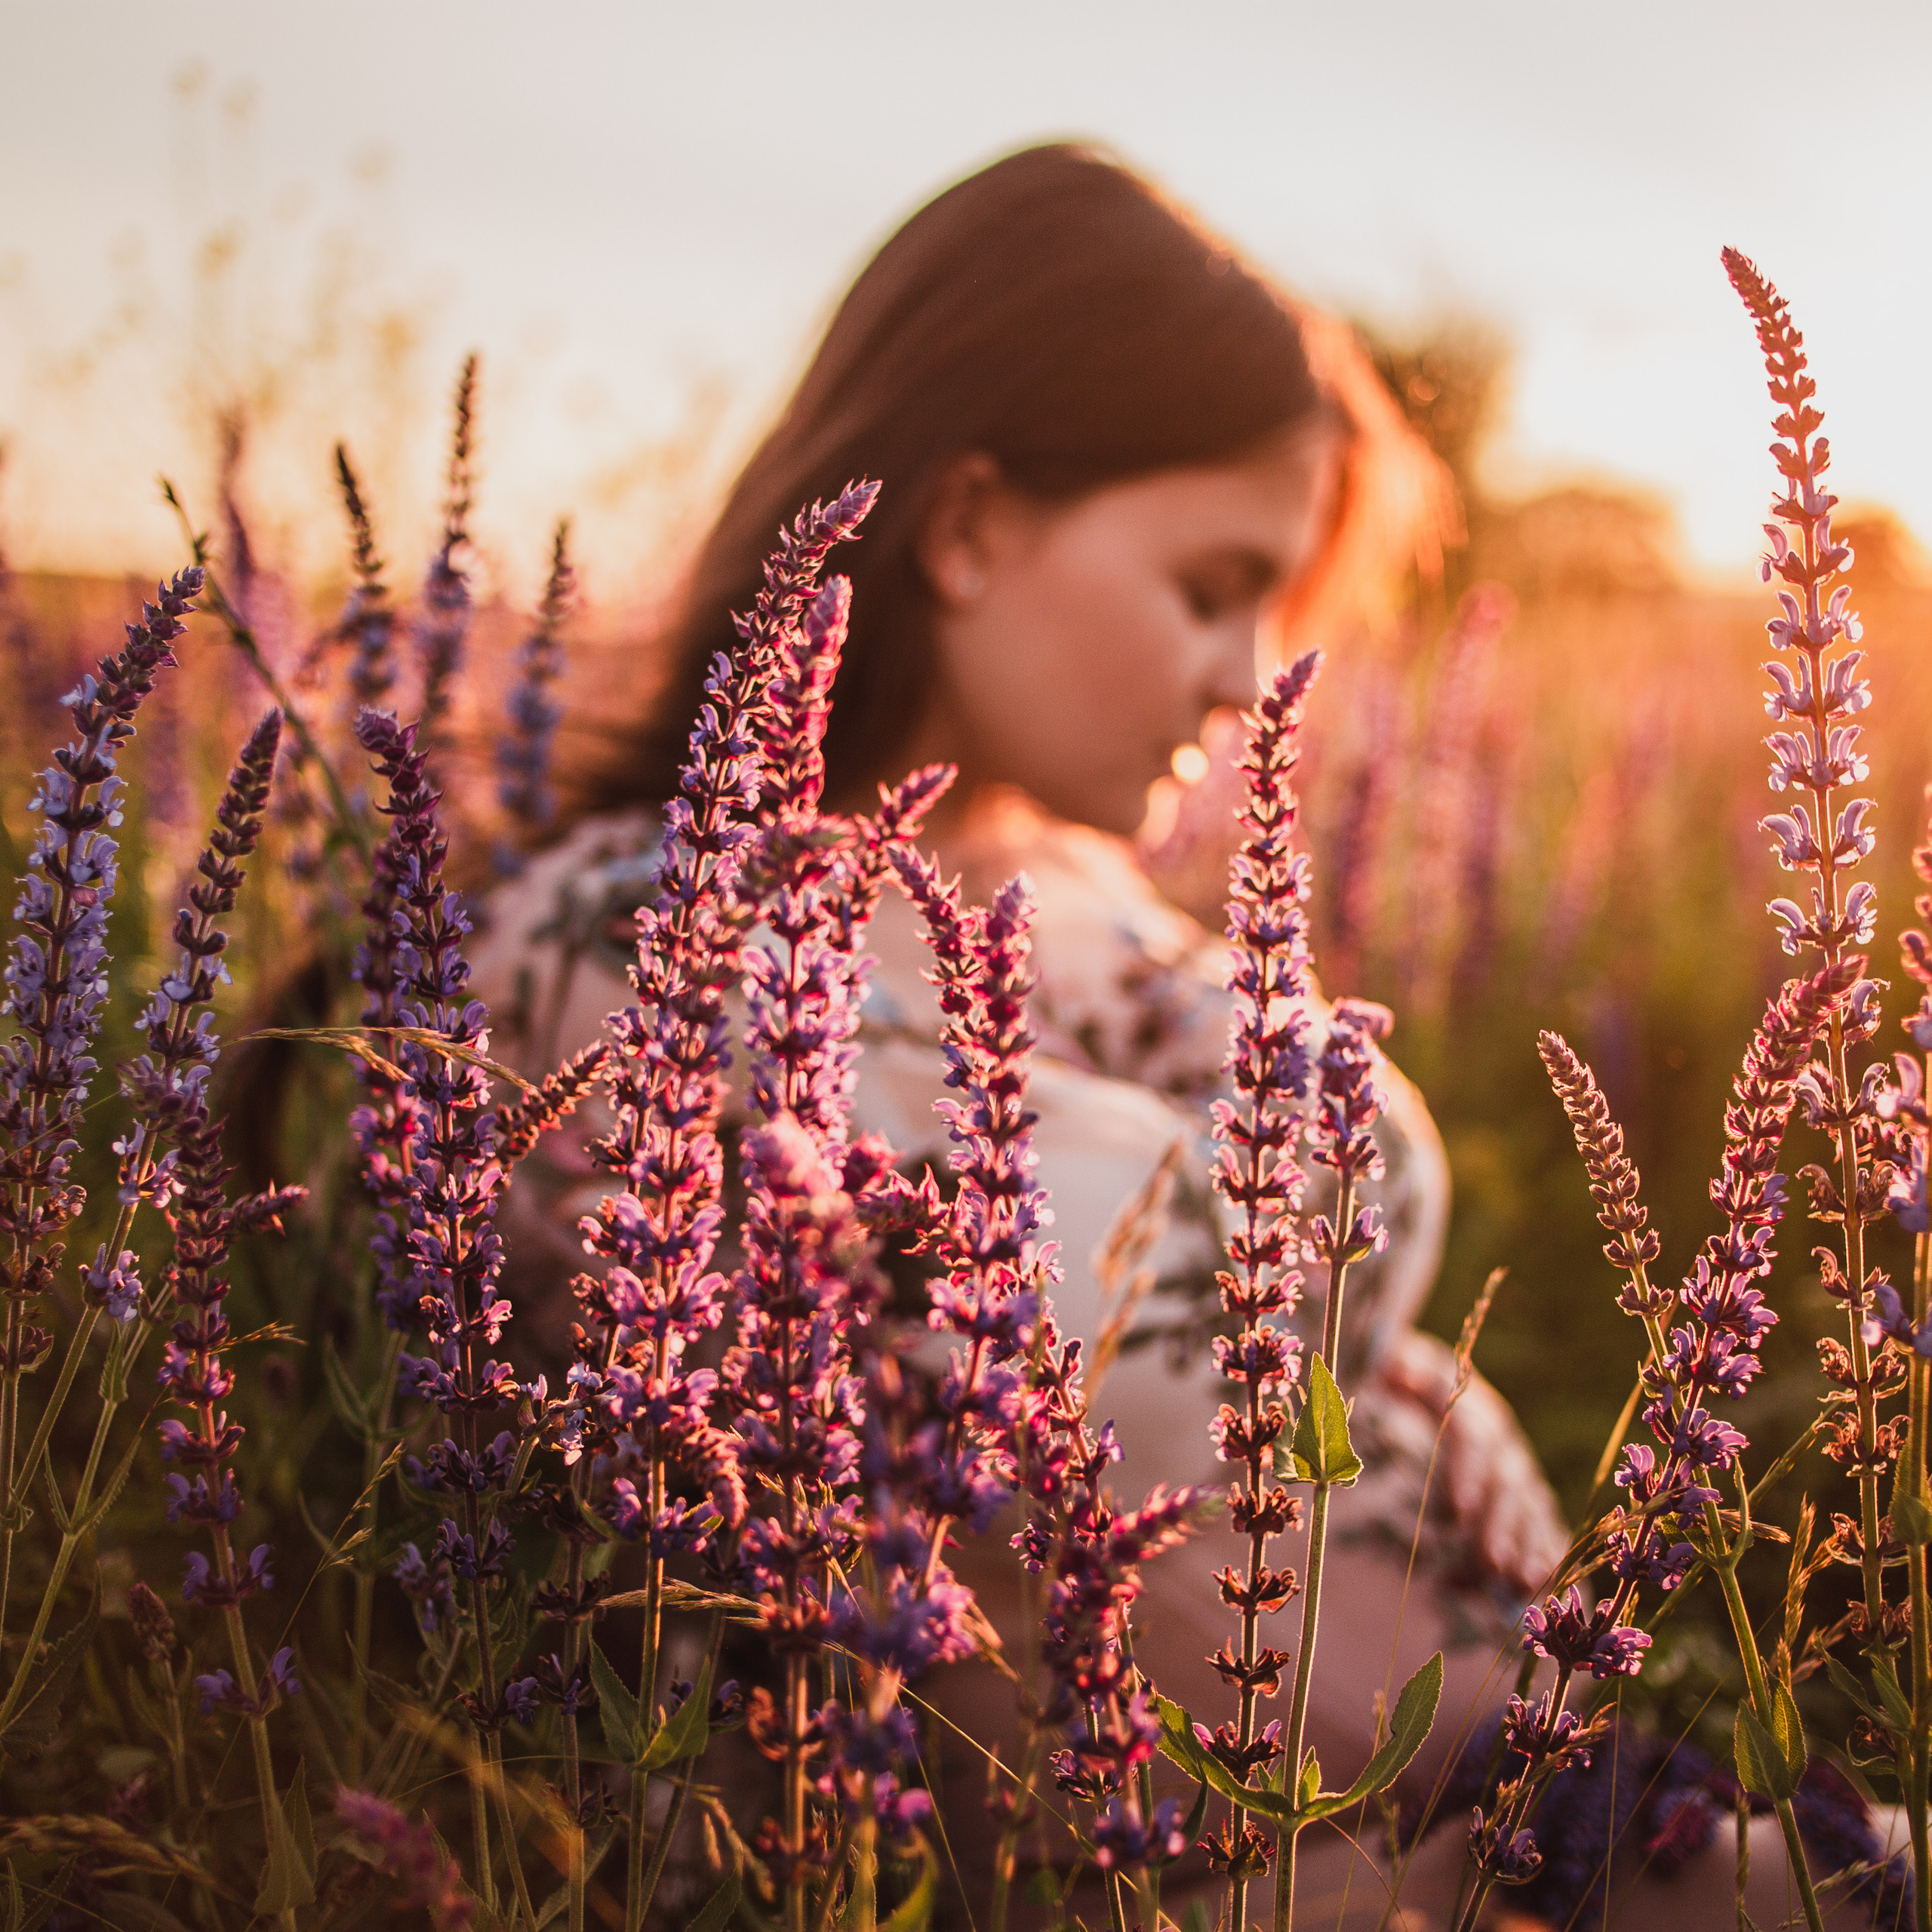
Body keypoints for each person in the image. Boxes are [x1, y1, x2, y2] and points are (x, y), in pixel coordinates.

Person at [468, 145, 1898, 1928]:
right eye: (1211, 582)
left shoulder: (1075, 902)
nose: (1241, 681)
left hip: (1513, 1798)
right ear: (973, 522)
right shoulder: (638, 947)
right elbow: (1007, 1388)